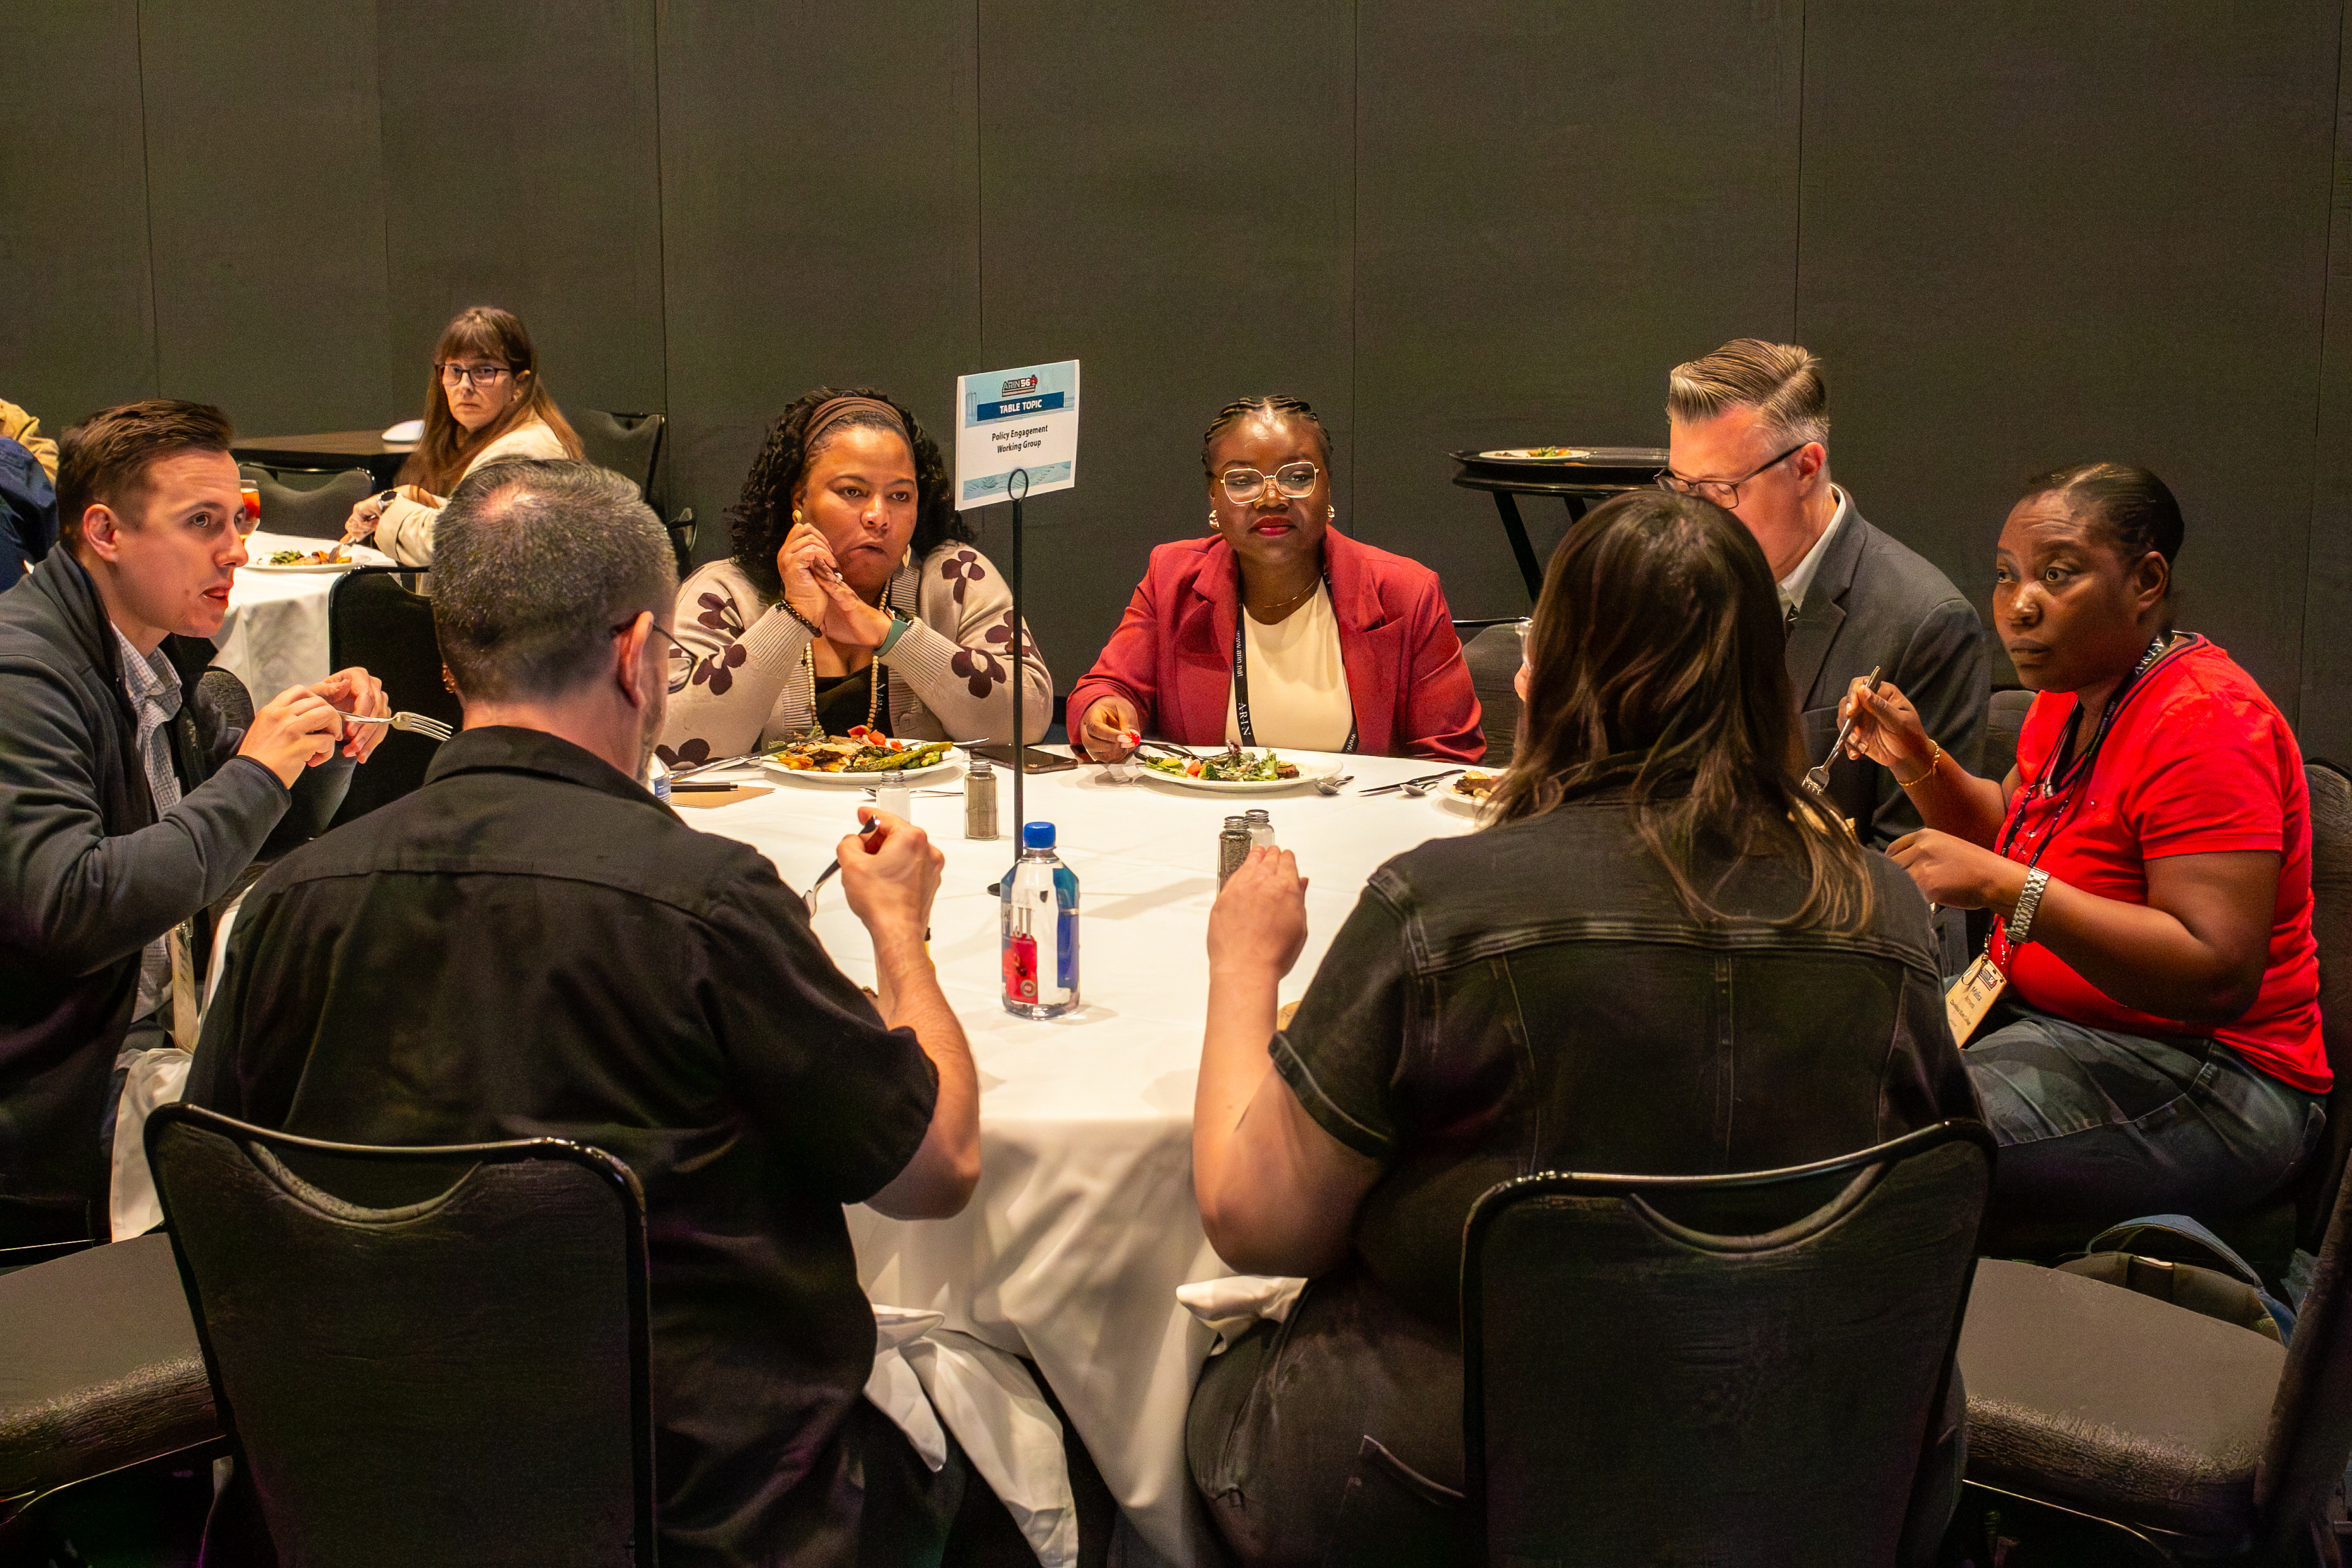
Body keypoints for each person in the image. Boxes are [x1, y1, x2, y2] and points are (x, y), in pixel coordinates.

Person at [187, 459, 985, 1567]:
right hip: (699, 1521)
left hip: (359, 1508)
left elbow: (229, 1204)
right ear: (636, 654)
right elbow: (937, 1164)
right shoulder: (705, 904)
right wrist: (900, 929)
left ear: (454, 652)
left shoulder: (284, 909)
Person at [1185, 489, 1978, 1567]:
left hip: (1453, 1493)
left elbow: (1253, 1218)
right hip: (1815, 1474)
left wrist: (1241, 964)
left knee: (1183, 1377)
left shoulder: (1435, 908)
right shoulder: (1880, 912)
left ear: (1551, 674)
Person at [1842, 462, 2325, 1244]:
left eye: (2057, 575)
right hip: (2057, 1025)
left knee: (1886, 1137)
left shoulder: (2206, 722)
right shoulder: (2074, 697)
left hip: (2213, 1076)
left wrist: (2009, 890)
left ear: (2146, 580)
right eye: (2006, 577)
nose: (2019, 605)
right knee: (1822, 1076)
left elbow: (2217, 971)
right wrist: (1914, 758)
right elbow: (2011, 826)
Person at [0, 401, 387, 1248]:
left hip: (144, 1046)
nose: (237, 550)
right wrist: (256, 771)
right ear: (105, 531)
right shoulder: (25, 677)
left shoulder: (155, 651)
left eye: (239, 519)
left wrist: (325, 748)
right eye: (202, 522)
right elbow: (72, 909)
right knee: (353, 1132)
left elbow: (239, 845)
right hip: (55, 1098)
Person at [1661, 339, 1986, 846]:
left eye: (1721, 489)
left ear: (1806, 467)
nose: (1694, 515)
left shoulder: (1924, 621)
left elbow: (1916, 865)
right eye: (1682, 486)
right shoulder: (1675, 580)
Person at [1069, 395, 1483, 763]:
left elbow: (1449, 758)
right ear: (1213, 497)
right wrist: (1104, 712)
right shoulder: (1172, 576)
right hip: (1206, 830)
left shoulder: (1405, 593)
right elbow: (1107, 687)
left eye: (1297, 477)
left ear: (1327, 487)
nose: (1272, 498)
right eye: (1242, 481)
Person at [660, 386, 1050, 765]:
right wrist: (791, 619)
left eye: (900, 496)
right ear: (800, 500)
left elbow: (1029, 718)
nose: (878, 516)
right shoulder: (726, 592)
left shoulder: (956, 578)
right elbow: (671, 742)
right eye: (852, 492)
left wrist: (890, 635)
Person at [343, 305, 582, 565]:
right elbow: (479, 519)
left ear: (519, 384)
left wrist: (390, 510)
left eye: (484, 372)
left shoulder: (519, 452)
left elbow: (461, 543)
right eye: (455, 371)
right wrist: (414, 498)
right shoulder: (518, 436)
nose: (465, 386)